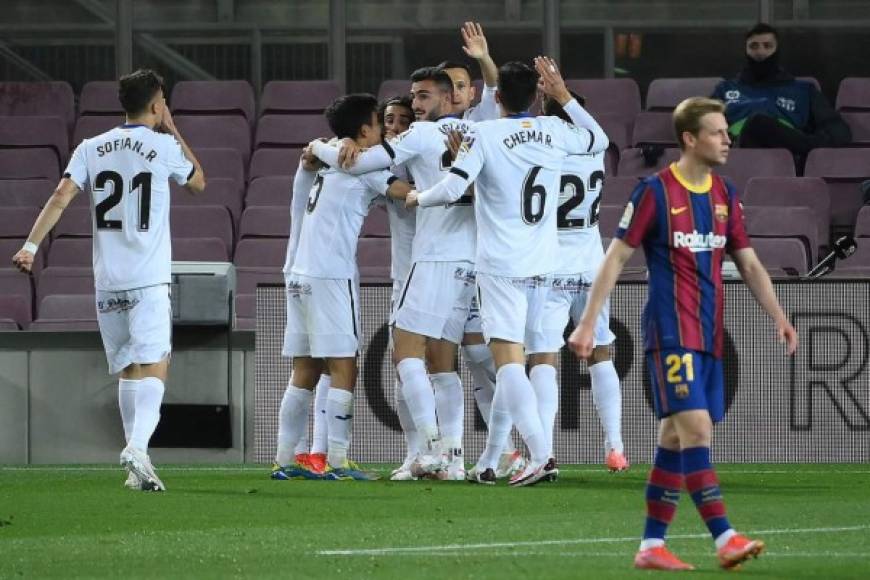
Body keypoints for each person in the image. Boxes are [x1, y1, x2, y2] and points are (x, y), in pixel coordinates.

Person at [567, 96, 798, 570]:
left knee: (674, 438)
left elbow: (748, 261)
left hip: (711, 333)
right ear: (690, 139)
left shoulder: (726, 195)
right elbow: (615, 257)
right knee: (696, 429)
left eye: (726, 132)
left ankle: (652, 546)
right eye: (717, 132)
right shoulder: (654, 193)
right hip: (671, 331)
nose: (727, 139)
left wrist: (777, 314)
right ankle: (725, 537)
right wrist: (589, 321)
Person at [407, 57, 609, 486]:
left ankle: (540, 454)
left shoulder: (483, 133)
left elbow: (454, 187)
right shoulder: (554, 129)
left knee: (509, 362)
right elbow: (599, 138)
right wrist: (565, 97)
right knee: (533, 361)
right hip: (544, 266)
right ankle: (494, 456)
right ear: (536, 96)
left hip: (500, 267)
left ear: (496, 97)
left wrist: (418, 199)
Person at [11, 69, 205, 492]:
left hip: (108, 280)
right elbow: (198, 183)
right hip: (148, 278)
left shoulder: (90, 147)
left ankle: (137, 463)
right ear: (157, 104)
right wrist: (173, 128)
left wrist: (30, 245)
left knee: (128, 367)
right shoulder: (163, 145)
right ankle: (137, 447)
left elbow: (61, 196)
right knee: (155, 363)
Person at [308, 67, 477, 481]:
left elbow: (361, 165)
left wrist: (322, 145)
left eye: (421, 99)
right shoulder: (473, 135)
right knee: (439, 363)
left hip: (430, 259)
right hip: (463, 260)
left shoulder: (416, 140)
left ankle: (434, 451)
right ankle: (444, 459)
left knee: (407, 355)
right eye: (410, 101)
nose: (413, 109)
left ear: (446, 97)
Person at [277, 93, 411, 481]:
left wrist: (323, 144)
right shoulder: (360, 167)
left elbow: (316, 153)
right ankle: (338, 459)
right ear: (365, 130)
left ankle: (285, 458)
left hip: (299, 273)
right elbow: (403, 194)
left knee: (305, 367)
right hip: (331, 276)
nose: (384, 130)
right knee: (343, 366)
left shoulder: (321, 164)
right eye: (378, 123)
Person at [523, 90, 629, 473]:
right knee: (602, 353)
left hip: (550, 263)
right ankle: (615, 445)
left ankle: (545, 450)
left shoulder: (541, 153)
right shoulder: (595, 149)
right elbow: (591, 127)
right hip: (591, 263)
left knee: (543, 357)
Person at [711, 22, 850, 157]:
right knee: (757, 123)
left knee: (760, 123)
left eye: (767, 46)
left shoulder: (803, 91)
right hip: (737, 151)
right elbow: (702, 126)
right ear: (746, 50)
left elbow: (838, 130)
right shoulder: (725, 89)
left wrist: (812, 146)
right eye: (754, 46)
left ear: (777, 50)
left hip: (791, 151)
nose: (760, 52)